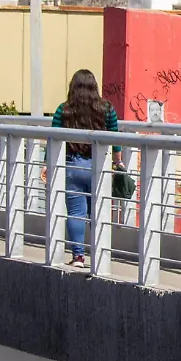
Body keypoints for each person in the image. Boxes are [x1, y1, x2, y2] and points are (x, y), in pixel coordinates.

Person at [51, 69, 119, 268]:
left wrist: (47, 164)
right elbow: (115, 138)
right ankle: (100, 256)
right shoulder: (106, 109)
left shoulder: (63, 110)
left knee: (75, 213)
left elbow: (53, 137)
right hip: (99, 166)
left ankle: (78, 257)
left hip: (73, 164)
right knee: (98, 213)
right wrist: (118, 161)